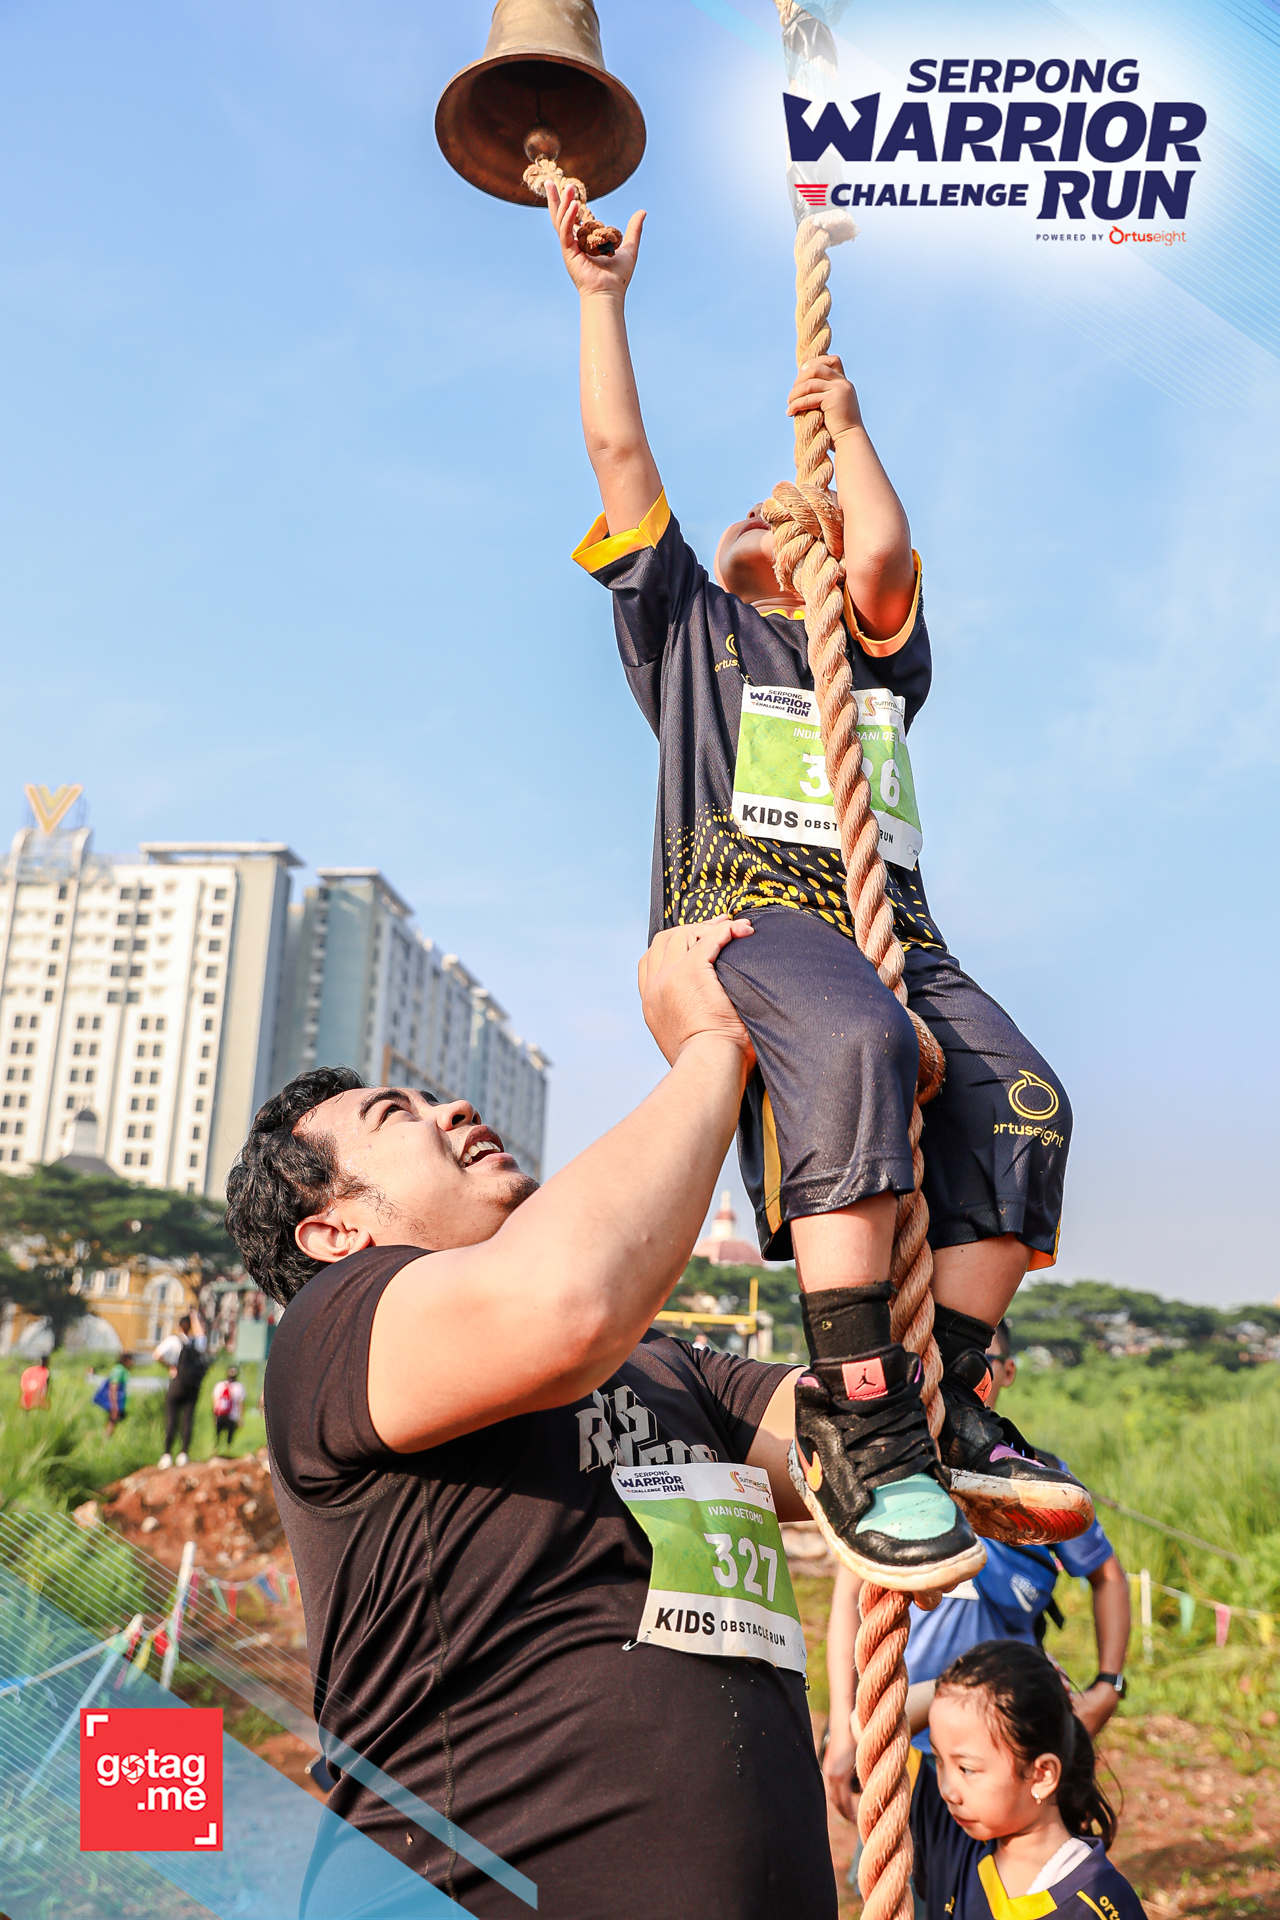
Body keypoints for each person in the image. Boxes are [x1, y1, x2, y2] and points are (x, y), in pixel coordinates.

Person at [545, 179, 1090, 1589]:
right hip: (753, 917)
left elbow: (888, 555)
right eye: (763, 511)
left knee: (1025, 1102)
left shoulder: (875, 663)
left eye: (808, 515)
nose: (779, 514)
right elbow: (617, 451)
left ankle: (951, 1394)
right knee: (855, 1043)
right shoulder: (690, 630)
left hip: (898, 930)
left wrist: (845, 432)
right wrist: (601, 299)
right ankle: (859, 1414)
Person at [224, 919, 838, 1918]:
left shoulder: (658, 1364)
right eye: (395, 1115)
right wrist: (713, 1047)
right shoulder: (335, 1329)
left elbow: (857, 1444)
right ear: (334, 1230)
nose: (453, 1109)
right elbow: (564, 1299)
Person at [825, 1321, 1130, 1866]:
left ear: (1006, 1373)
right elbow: (850, 1601)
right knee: (904, 1875)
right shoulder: (895, 1474)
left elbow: (1107, 1574)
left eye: (979, 1364)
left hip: (1005, 1750)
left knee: (1005, 1884)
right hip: (906, 1738)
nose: (961, 1375)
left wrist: (1109, 1683)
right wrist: (846, 1723)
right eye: (948, 1363)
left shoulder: (1036, 1483)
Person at [906, 1640, 1144, 1917]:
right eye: (939, 1760)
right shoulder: (952, 1838)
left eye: (967, 1769)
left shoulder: (1100, 1903)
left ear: (1042, 1775)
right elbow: (873, 1730)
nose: (947, 1790)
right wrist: (959, 1686)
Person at [154, 1310, 208, 1468]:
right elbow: (202, 1335)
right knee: (187, 1418)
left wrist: (170, 1366)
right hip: (192, 1386)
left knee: (172, 1418)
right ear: (191, 1327)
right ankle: (183, 1454)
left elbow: (157, 1355)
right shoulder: (197, 1343)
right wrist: (195, 1318)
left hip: (177, 1384)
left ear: (180, 1326)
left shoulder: (173, 1341)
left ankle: (167, 1454)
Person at [94, 1352, 132, 1436]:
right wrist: (114, 1406)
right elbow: (113, 1388)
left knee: (113, 1421)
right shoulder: (119, 1370)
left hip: (117, 1402)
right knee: (112, 1421)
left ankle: (106, 1437)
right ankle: (104, 1438)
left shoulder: (121, 1370)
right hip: (115, 1402)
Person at [211, 1366, 245, 1454]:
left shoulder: (219, 1385)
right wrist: (241, 1418)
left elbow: (214, 1402)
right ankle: (227, 1451)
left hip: (220, 1414)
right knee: (230, 1435)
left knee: (217, 1434)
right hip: (232, 1415)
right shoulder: (239, 1387)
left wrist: (214, 1415)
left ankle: (216, 1450)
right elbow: (240, 1403)